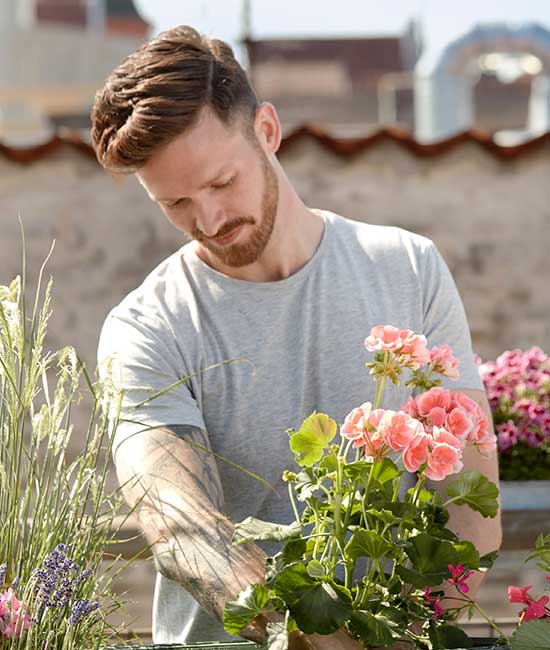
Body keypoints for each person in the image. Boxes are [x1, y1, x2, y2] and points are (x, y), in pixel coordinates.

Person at [92, 25, 501, 648]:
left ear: (267, 130)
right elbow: (176, 520)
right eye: (175, 203)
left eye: (221, 183)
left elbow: (470, 501)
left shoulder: (409, 269)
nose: (209, 219)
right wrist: (313, 639)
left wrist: (411, 635)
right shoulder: (146, 326)